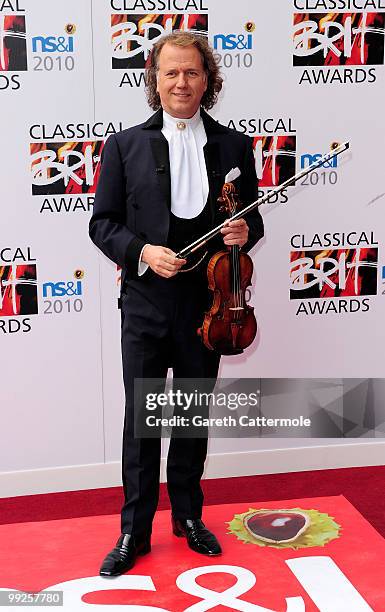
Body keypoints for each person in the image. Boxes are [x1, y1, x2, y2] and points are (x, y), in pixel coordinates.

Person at [89, 30, 264, 577]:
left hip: (207, 307)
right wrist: (141, 251)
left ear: (208, 79)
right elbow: (102, 224)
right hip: (144, 305)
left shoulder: (233, 146)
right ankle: (132, 531)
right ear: (155, 80)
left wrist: (243, 232)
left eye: (192, 72)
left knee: (190, 417)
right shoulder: (123, 146)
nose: (182, 82)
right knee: (142, 422)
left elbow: (252, 216)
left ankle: (189, 516)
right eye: (171, 72)